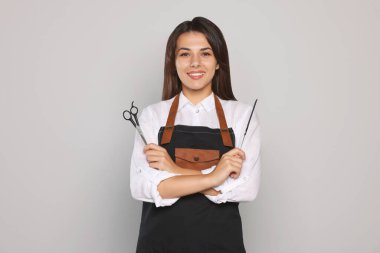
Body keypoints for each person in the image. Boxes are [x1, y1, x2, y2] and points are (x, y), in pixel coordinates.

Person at [129, 16, 261, 253]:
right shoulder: (151, 116)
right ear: (173, 62)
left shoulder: (242, 116)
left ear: (218, 61)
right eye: (185, 54)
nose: (195, 63)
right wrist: (216, 177)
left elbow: (246, 189)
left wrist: (173, 169)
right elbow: (143, 187)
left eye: (206, 53)